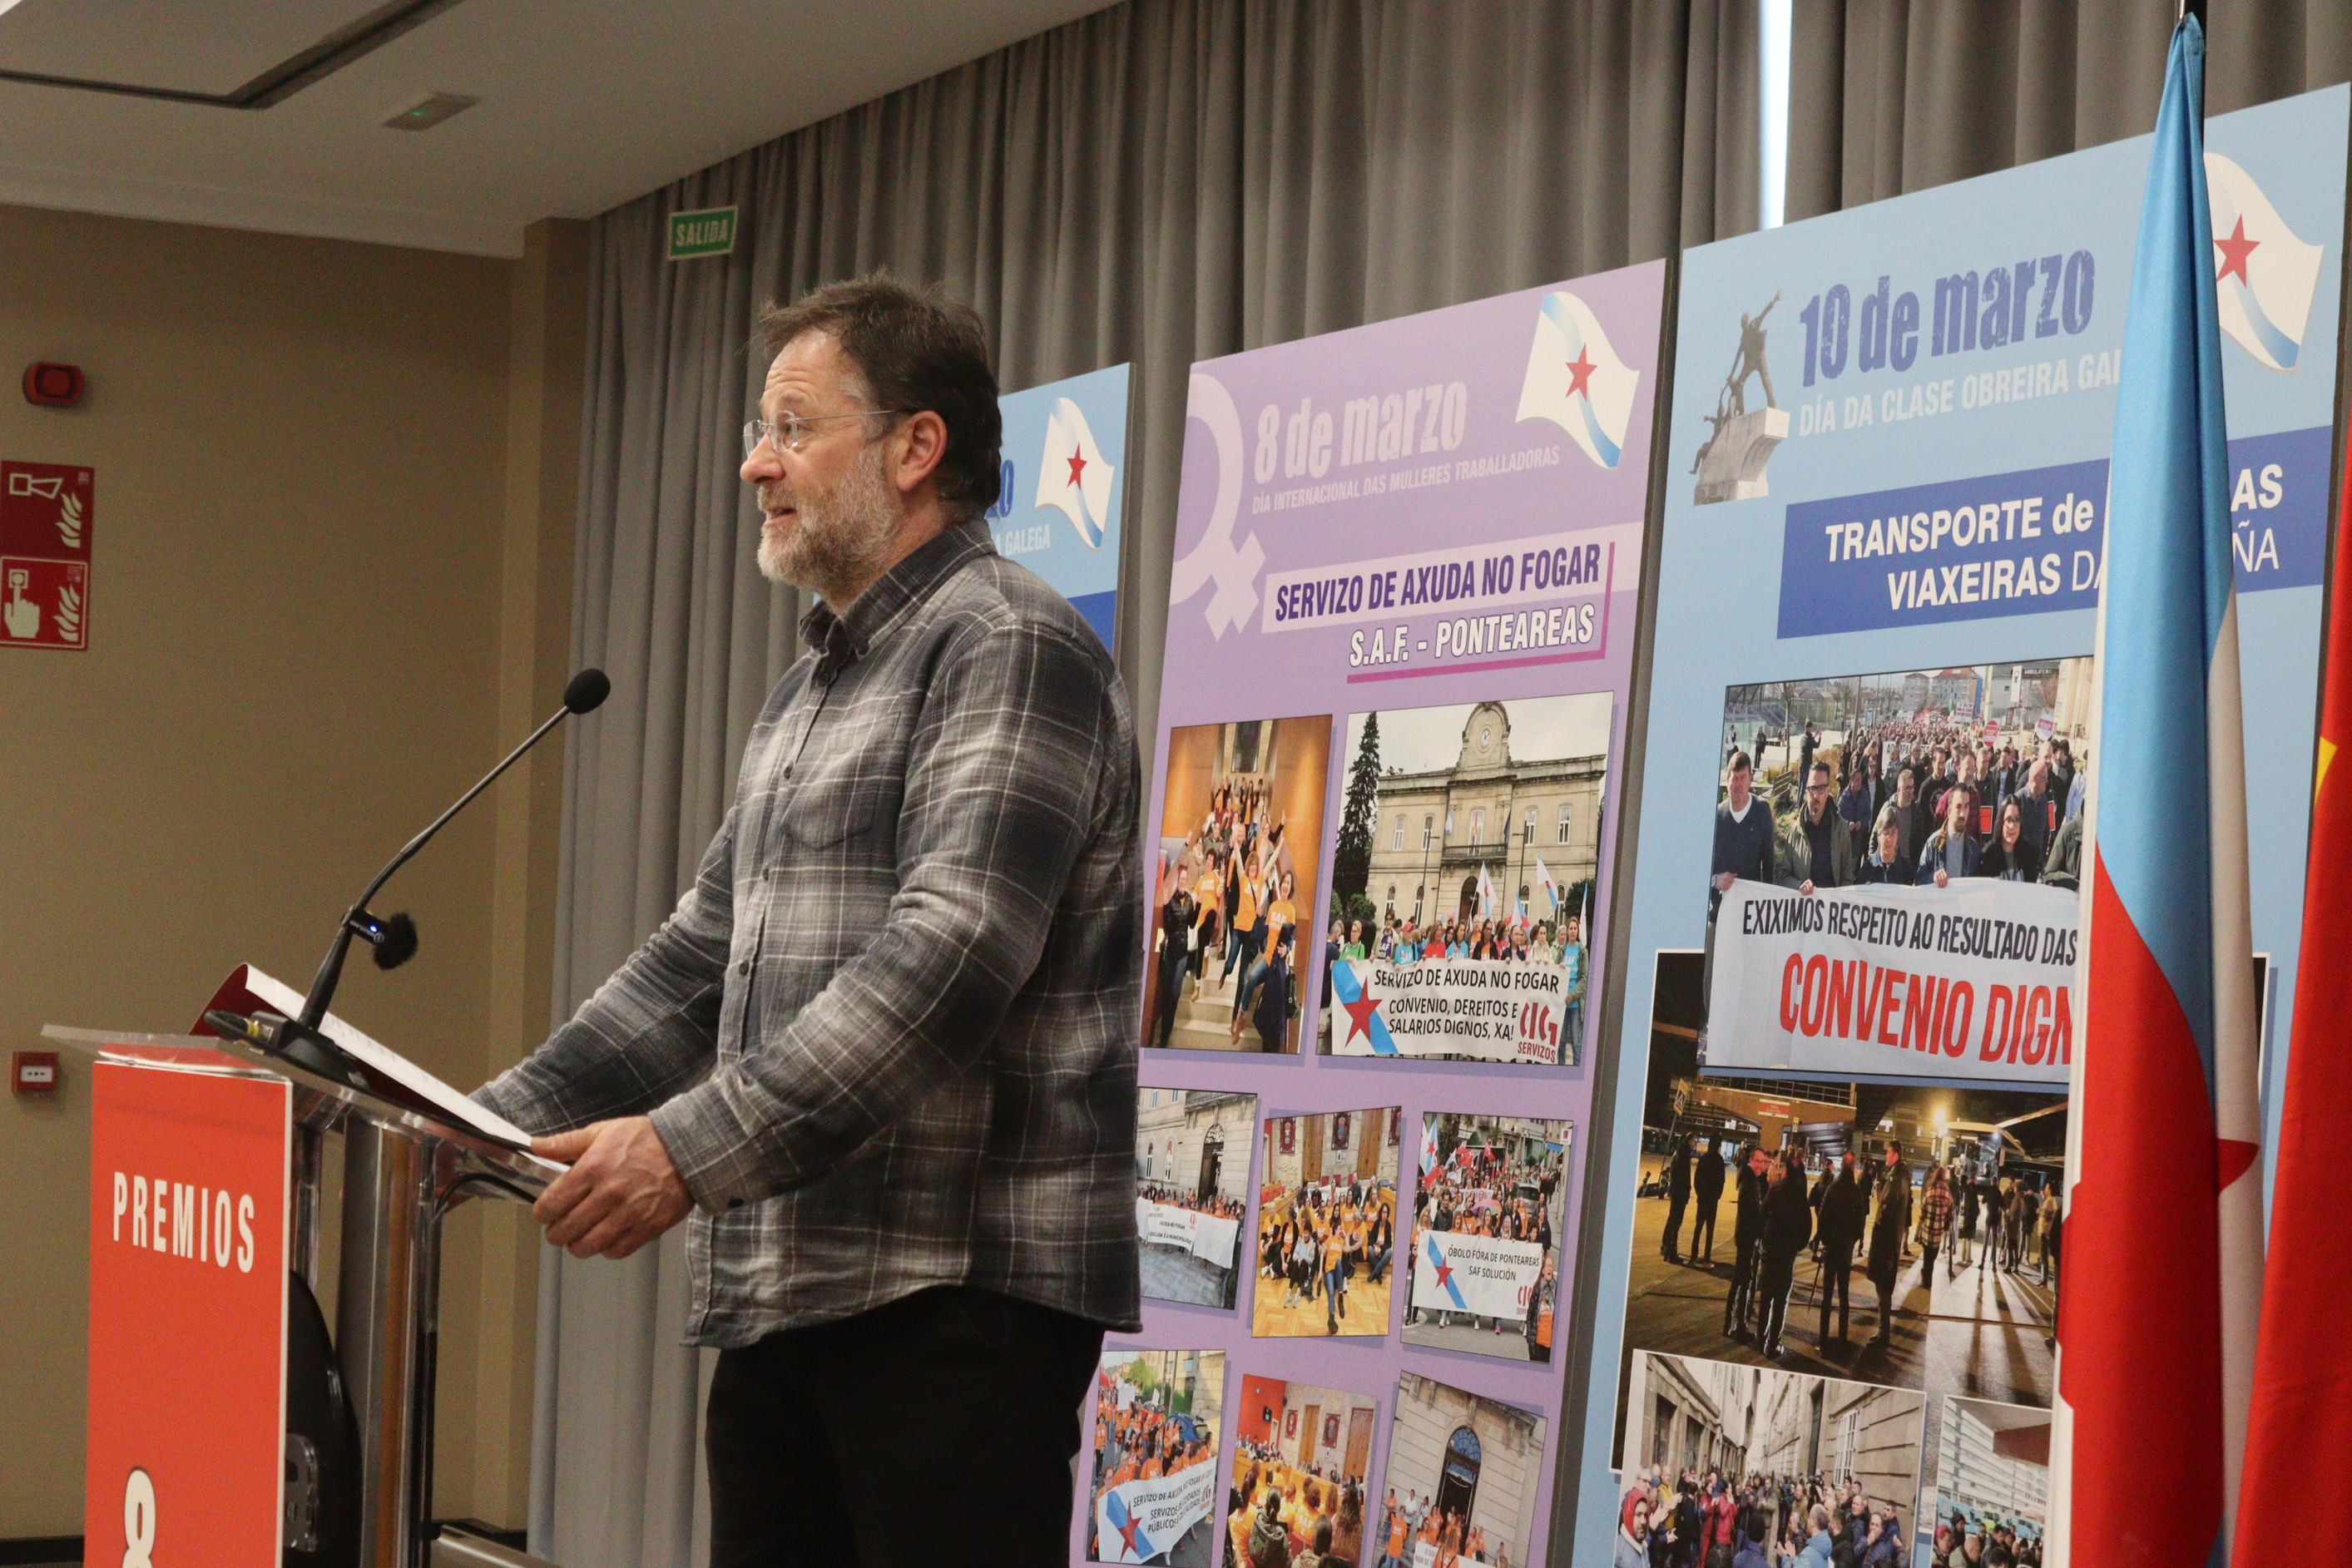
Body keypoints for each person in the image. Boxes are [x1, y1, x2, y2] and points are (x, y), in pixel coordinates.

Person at [470, 277, 1141, 1566]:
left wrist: (681, 1151)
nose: (753, 465)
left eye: (790, 427)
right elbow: (696, 963)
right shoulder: (807, 688)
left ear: (914, 446)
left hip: (953, 1304)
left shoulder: (1007, 643)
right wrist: (470, 1126)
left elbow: (945, 964)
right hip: (789, 1288)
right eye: (758, 430)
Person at [1756, 1151, 1814, 1360]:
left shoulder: (1775, 1191)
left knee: (1766, 1298)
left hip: (1770, 1252)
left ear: (1786, 1171)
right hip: (1787, 1255)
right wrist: (1796, 1247)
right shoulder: (1800, 1198)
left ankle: (1760, 1338)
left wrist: (1764, 1240)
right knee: (1781, 1300)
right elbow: (1807, 1228)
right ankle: (1773, 1344)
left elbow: (1761, 1217)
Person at [1711, 751, 1779, 916]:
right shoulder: (1716, 816)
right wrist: (1714, 880)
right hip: (1720, 912)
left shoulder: (1762, 811)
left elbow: (1769, 863)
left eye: (1743, 778)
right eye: (1735, 778)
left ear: (1751, 779)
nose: (1739, 784)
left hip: (1751, 912)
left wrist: (1767, 906)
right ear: (1727, 781)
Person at [1815, 1152, 1866, 1346]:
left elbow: (1822, 1217)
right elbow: (1860, 1224)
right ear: (1853, 1168)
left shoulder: (1833, 1188)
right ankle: (1843, 1338)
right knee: (1844, 1295)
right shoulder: (1856, 1192)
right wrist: (1851, 1242)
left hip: (1831, 1248)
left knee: (1827, 1296)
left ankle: (1823, 1339)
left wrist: (1826, 1240)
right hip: (1845, 1250)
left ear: (1842, 1165)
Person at [1784, 761, 1854, 894]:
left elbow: (1847, 876)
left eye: (1821, 788)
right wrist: (1798, 885)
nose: (1816, 796)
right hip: (1803, 905)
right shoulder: (1795, 832)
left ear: (1828, 791)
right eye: (1812, 789)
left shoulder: (1841, 830)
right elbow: (1782, 875)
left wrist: (1838, 898)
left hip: (1831, 905)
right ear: (1806, 790)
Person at [1866, 1147, 1913, 1348]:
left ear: (1896, 1155)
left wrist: (1879, 1227)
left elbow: (1887, 1210)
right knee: (1883, 1288)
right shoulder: (1900, 1176)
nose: (1886, 1156)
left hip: (1886, 1242)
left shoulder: (1896, 1178)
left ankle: (1883, 1334)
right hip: (1890, 1241)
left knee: (1883, 1289)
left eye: (1888, 1153)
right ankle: (1882, 1332)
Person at [1724, 1145, 1770, 1339]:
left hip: (1748, 1237)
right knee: (1743, 1282)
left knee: (1742, 1281)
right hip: (1747, 1238)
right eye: (1757, 1161)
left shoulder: (1754, 1180)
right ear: (1750, 1161)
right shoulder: (1749, 1183)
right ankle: (1737, 1326)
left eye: (1763, 1161)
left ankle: (1732, 1324)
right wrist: (1762, 1229)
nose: (1760, 1165)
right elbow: (1750, 1214)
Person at [1151, 875, 1199, 1049]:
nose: (1183, 882)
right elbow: (1168, 927)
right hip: (1170, 952)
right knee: (1167, 993)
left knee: (1175, 993)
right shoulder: (1171, 901)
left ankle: (1167, 1031)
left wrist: (1199, 905)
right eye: (1181, 880)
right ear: (1178, 882)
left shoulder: (1190, 900)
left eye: (1185, 880)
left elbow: (1192, 924)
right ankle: (1164, 1035)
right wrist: (1165, 907)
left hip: (1182, 954)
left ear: (1187, 882)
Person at [1915, 784, 1982, 886]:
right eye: (1958, 807)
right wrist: (1933, 877)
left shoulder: (1973, 848)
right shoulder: (1934, 844)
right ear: (1949, 811)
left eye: (1966, 807)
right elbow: (1919, 880)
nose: (1963, 814)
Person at [1979, 799, 2043, 881]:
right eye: (2008, 820)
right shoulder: (1988, 854)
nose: (2012, 826)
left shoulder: (2030, 854)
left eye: (2017, 820)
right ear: (2001, 822)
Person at [1918, 1165, 1955, 1279]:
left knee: (1927, 1255)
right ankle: (1927, 1275)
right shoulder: (1947, 1191)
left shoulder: (1930, 1189)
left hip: (1927, 1229)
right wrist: (1948, 1220)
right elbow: (1952, 1209)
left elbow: (1923, 1208)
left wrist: (1922, 1219)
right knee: (1933, 1255)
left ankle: (1926, 1276)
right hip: (1938, 1230)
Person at [1692, 1137, 1726, 1263]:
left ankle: (1694, 1254)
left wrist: (1699, 1193)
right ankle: (1707, 1255)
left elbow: (1697, 1178)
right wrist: (1717, 1195)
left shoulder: (1704, 1159)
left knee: (1698, 1227)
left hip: (1703, 1198)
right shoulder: (1719, 1160)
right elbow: (1722, 1180)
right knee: (1710, 1229)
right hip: (1712, 1200)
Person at [1664, 1135, 1697, 1263]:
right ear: (1689, 1141)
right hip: (1679, 1194)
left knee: (1672, 1220)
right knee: (1676, 1222)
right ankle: (1671, 1253)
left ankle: (1667, 1248)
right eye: (1694, 1141)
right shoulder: (1684, 1155)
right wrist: (1685, 1192)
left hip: (1676, 1192)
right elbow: (1683, 1177)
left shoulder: (1679, 1152)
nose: (1695, 1143)